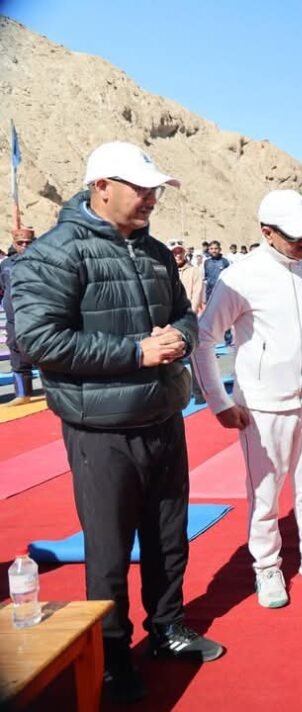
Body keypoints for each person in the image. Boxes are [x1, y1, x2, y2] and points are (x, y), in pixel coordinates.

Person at [11, 141, 223, 703]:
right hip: (101, 429)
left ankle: (168, 628)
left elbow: (182, 311)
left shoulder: (154, 251)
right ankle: (107, 655)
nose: (151, 197)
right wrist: (134, 352)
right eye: (140, 188)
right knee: (107, 551)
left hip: (163, 415)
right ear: (101, 186)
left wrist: (181, 334)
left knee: (168, 536)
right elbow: (36, 339)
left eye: (155, 189)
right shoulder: (54, 254)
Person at [192, 190, 302, 609]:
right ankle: (267, 567)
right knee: (265, 495)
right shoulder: (240, 278)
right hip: (263, 407)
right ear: (267, 232)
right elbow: (204, 339)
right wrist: (219, 402)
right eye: (295, 236)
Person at [1, 228, 37, 406]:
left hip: (37, 318)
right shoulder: (6, 264)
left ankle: (58, 392)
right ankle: (23, 394)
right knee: (16, 352)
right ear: (13, 243)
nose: (24, 246)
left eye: (28, 243)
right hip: (13, 319)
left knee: (44, 354)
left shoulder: (44, 262)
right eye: (20, 242)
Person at [171, 242, 206, 405]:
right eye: (174, 252)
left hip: (188, 319)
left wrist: (188, 318)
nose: (177, 255)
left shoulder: (194, 271)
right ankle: (177, 394)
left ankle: (199, 393)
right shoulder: (166, 271)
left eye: (180, 252)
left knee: (194, 357)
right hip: (170, 321)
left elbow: (197, 294)